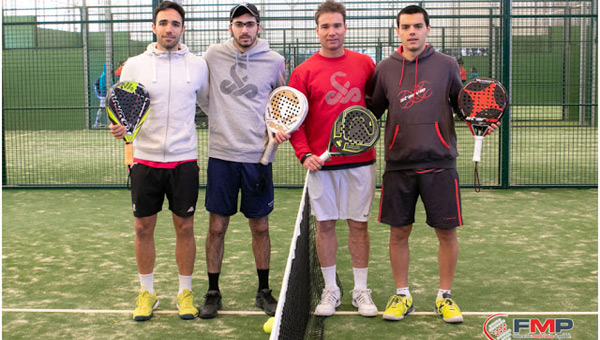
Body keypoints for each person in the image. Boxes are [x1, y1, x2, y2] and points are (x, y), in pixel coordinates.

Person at [368, 5, 499, 323]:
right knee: (398, 232)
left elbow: (463, 105)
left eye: (417, 26)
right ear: (397, 31)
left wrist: (479, 123)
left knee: (447, 232)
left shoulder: (447, 65)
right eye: (405, 27)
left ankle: (445, 297)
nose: (412, 31)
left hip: (440, 161)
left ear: (428, 30)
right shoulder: (385, 69)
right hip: (398, 164)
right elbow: (372, 112)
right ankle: (402, 295)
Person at [108, 1, 209, 322]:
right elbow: (124, 110)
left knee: (185, 227)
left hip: (184, 161)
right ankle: (147, 292)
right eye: (163, 23)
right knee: (142, 228)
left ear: (183, 28)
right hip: (145, 161)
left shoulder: (197, 65)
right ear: (154, 27)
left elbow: (210, 105)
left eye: (175, 23)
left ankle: (184, 293)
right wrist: (121, 128)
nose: (169, 29)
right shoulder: (135, 65)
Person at [288, 0, 378, 318]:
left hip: (361, 162)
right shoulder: (302, 72)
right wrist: (305, 154)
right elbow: (294, 122)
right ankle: (330, 290)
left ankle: (360, 290)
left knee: (358, 225)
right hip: (321, 165)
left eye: (337, 25)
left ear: (345, 27)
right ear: (317, 30)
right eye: (325, 26)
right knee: (324, 225)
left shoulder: (366, 64)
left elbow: (377, 108)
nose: (332, 32)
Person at [197, 2, 288, 319]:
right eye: (239, 24)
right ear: (230, 27)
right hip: (221, 156)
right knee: (217, 227)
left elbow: (282, 103)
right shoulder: (212, 56)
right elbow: (202, 95)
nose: (245, 29)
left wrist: (277, 130)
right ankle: (212, 292)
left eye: (250, 24)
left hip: (258, 160)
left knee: (260, 227)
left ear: (258, 27)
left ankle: (264, 291)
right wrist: (221, 120)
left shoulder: (275, 61)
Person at [93, 64, 108, 128]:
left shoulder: (106, 75)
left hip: (106, 94)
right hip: (104, 95)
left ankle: (97, 122)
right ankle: (97, 122)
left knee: (104, 109)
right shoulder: (104, 76)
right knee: (102, 108)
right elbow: (106, 86)